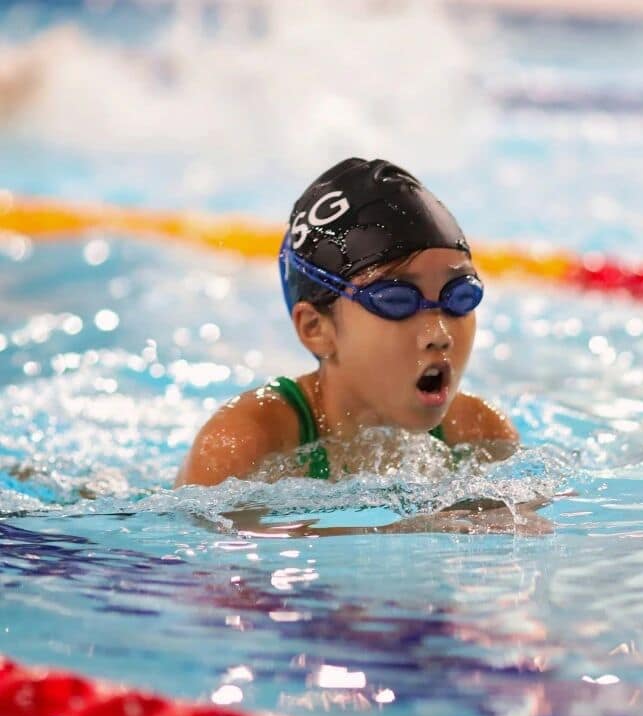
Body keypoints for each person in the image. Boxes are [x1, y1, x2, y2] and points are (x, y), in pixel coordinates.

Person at [176, 158, 547, 533]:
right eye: (396, 300)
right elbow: (199, 558)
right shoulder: (243, 443)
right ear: (316, 328)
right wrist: (396, 533)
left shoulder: (476, 431)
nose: (439, 333)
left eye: (460, 296)